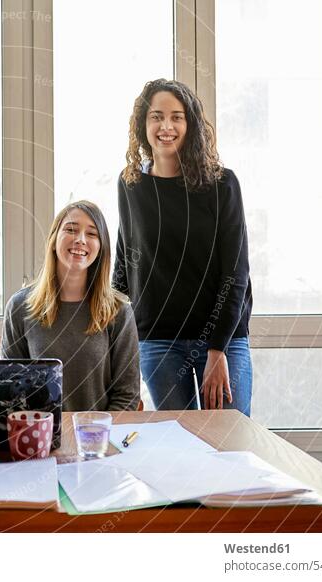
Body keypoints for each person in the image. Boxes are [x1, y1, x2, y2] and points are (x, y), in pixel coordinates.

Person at [113, 78, 253, 415]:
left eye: (177, 116)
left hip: (223, 340)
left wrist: (217, 350)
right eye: (156, 116)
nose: (166, 126)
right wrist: (113, 340)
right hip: (158, 341)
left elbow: (236, 273)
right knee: (179, 452)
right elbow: (124, 262)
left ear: (190, 124)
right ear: (142, 124)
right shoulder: (131, 183)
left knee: (228, 447)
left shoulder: (222, 184)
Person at [1, 200, 140, 411]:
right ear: (54, 240)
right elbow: (10, 389)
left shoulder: (119, 311)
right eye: (71, 229)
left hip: (98, 438)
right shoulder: (19, 306)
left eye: (92, 234)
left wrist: (96, 436)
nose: (81, 240)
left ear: (101, 248)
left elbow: (127, 394)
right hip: (40, 438)